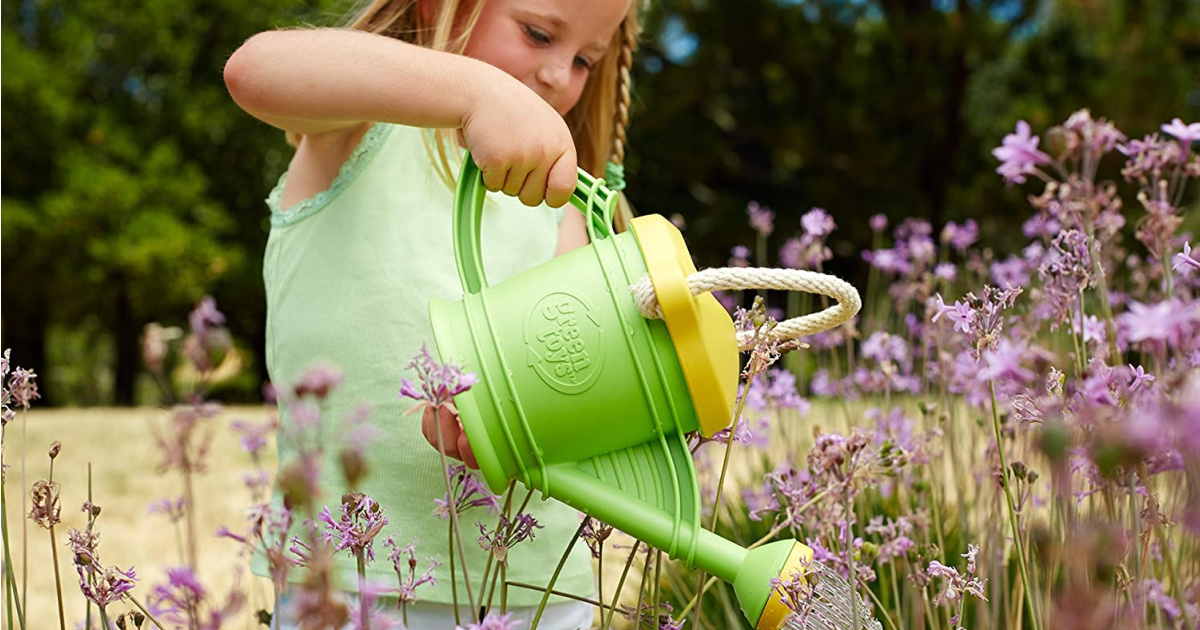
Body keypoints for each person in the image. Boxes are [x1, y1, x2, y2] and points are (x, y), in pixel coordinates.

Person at [223, 0, 640, 626]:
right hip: (358, 576)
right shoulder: (358, 132)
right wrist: (475, 91)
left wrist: (508, 421)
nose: (559, 75)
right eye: (537, 33)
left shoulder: (565, 209)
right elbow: (254, 70)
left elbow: (572, 379)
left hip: (535, 586)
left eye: (584, 59)